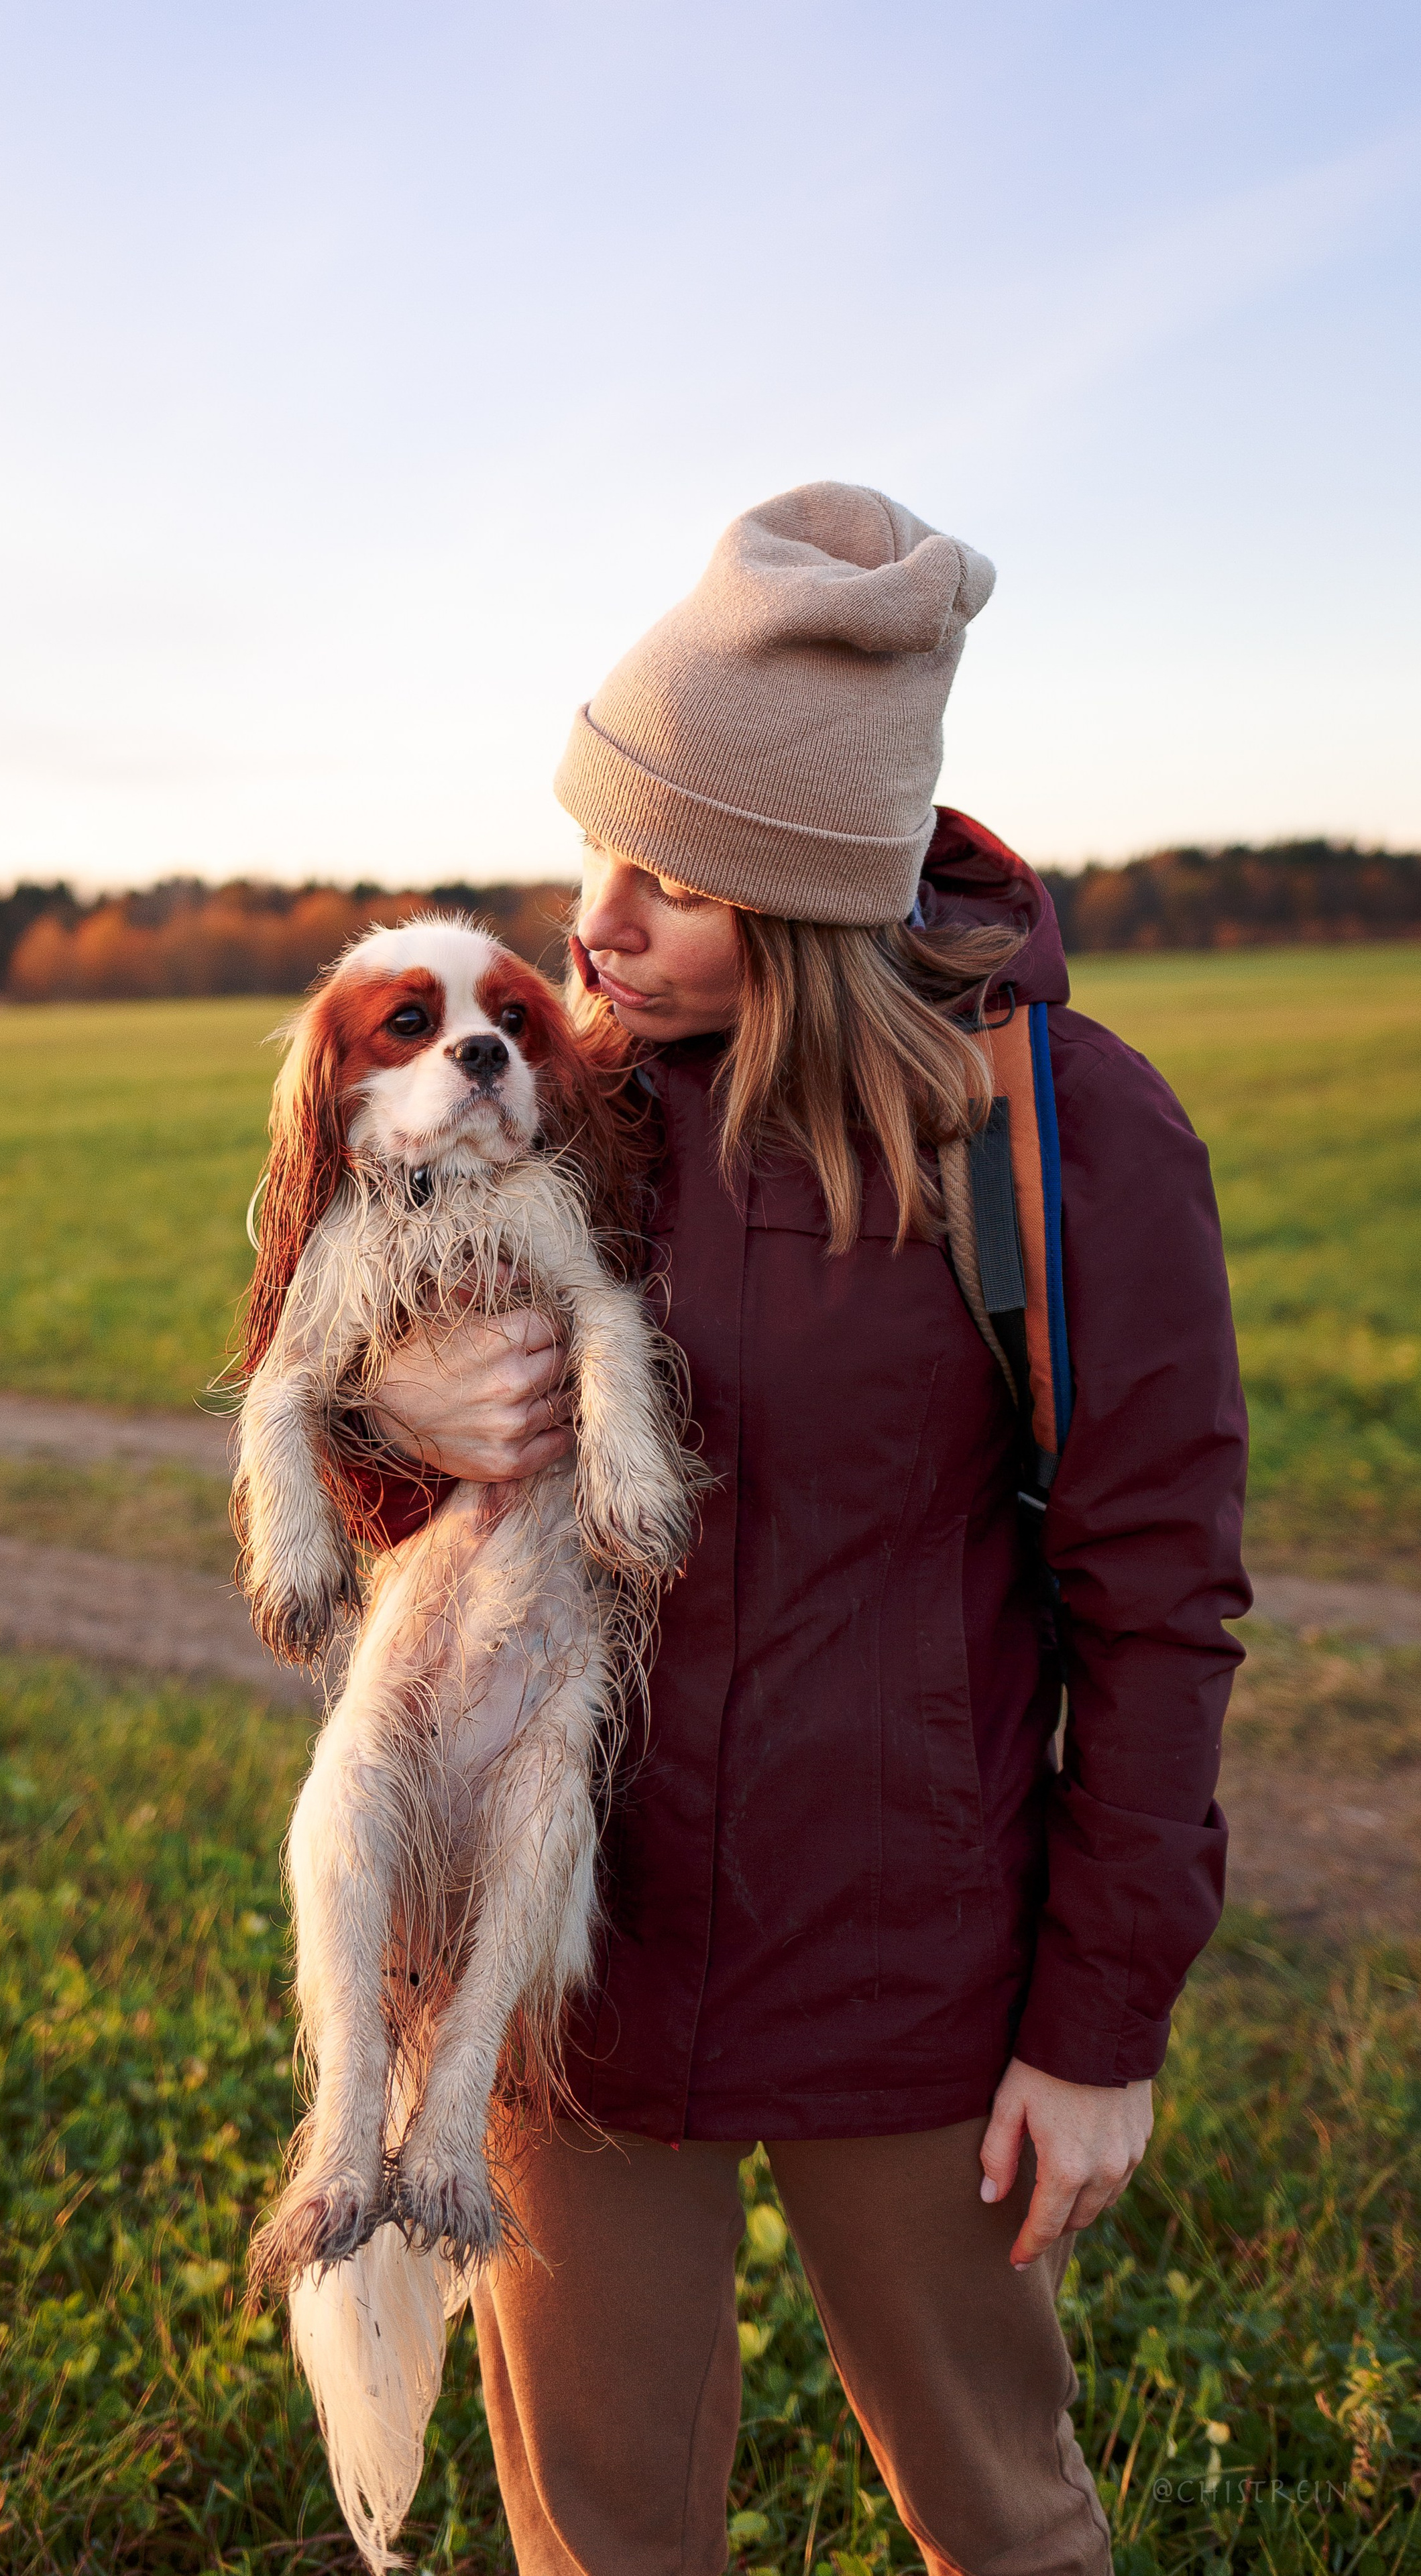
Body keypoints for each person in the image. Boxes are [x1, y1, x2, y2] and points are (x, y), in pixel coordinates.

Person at [358, 484, 1248, 2575]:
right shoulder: (547, 1100)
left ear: (808, 882)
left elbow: (1160, 1608)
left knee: (1008, 2522)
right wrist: (391, 1409)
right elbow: (395, 1520)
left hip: (915, 1971)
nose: (597, 919)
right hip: (557, 1956)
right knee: (599, 2540)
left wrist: (1099, 2023)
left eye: (671, 874)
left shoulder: (1056, 1128)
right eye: (599, 842)